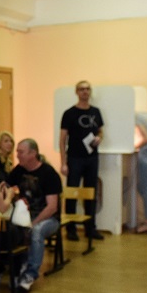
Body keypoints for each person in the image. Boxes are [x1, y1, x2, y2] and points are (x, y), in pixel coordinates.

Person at [6, 139, 62, 292]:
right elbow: (7, 187)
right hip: (26, 216)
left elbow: (52, 207)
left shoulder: (49, 174)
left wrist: (34, 222)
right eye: (17, 151)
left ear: (33, 153)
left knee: (36, 231)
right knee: (12, 228)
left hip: (48, 218)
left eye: (21, 152)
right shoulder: (18, 170)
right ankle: (16, 268)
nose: (17, 155)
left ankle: (30, 273)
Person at [59, 80, 104, 241]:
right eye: (82, 89)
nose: (85, 92)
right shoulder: (69, 113)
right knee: (72, 192)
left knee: (91, 192)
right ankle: (71, 228)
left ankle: (90, 227)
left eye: (87, 89)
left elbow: (100, 131)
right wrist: (63, 162)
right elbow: (62, 139)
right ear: (77, 92)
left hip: (92, 158)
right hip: (74, 158)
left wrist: (99, 137)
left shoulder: (96, 112)